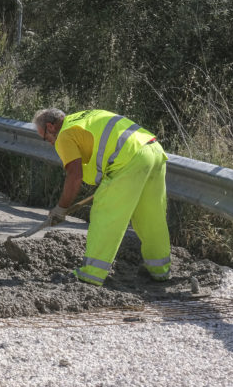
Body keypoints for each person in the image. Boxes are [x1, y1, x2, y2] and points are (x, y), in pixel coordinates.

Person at [33, 108, 171, 286]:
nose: (50, 143)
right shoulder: (82, 118)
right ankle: (160, 271)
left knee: (105, 214)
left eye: (46, 138)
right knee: (151, 217)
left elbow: (75, 175)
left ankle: (91, 274)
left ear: (51, 127)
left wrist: (61, 208)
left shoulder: (64, 135)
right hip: (153, 150)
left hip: (127, 159)